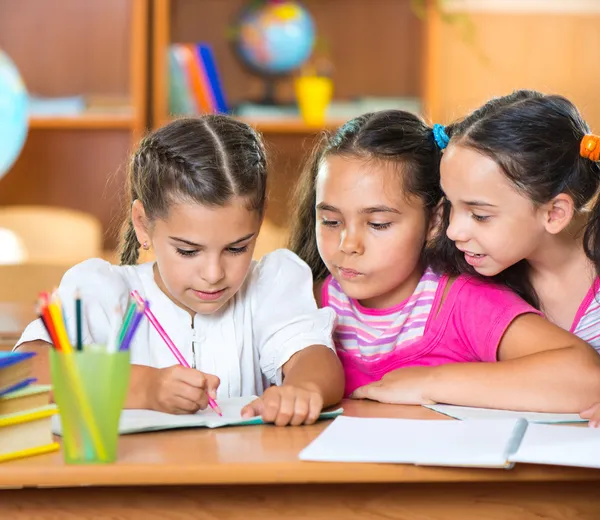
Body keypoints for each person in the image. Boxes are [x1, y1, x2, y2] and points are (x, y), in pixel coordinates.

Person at [15, 115, 344, 426]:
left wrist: (303, 389)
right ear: (143, 225)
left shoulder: (270, 285)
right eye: (188, 251)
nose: (214, 273)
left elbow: (315, 359)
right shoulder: (102, 291)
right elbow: (27, 370)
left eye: (237, 248)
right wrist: (145, 388)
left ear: (259, 222)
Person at [288, 109, 600, 412]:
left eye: (378, 224)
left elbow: (585, 376)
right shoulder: (301, 301)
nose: (348, 245)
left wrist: (430, 381)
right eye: (330, 221)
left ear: (433, 219)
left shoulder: (466, 300)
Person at [424, 91, 600, 424]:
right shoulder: (473, 280)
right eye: (451, 205)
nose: (453, 231)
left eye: (479, 215)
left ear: (554, 213)